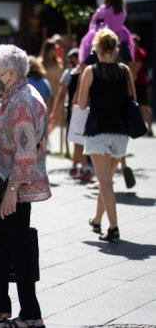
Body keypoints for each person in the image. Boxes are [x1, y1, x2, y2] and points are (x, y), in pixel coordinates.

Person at [0, 44, 50, 328]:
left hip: (14, 185)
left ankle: (30, 314)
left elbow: (26, 152)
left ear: (11, 73)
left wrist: (13, 191)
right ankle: (0, 306)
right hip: (5, 182)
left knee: (17, 246)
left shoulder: (22, 102)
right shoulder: (12, 95)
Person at [77, 29, 132, 242]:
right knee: (106, 181)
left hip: (98, 129)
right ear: (115, 48)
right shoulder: (125, 70)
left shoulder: (90, 71)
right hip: (120, 131)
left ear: (97, 49)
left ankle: (114, 228)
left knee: (105, 182)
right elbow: (132, 98)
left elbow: (81, 104)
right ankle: (97, 220)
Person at [59, 49, 94, 181]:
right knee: (77, 139)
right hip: (83, 109)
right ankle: (74, 166)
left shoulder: (80, 74)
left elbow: (75, 96)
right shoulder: (80, 73)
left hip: (78, 109)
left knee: (77, 139)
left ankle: (85, 168)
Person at [79, 0, 134, 65]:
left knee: (87, 46)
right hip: (119, 36)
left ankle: (84, 64)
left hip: (104, 35)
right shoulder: (123, 12)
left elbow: (94, 22)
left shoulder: (104, 10)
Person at [39, 39, 63, 132]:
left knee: (56, 119)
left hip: (56, 93)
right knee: (45, 118)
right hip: (46, 94)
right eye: (53, 49)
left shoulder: (58, 62)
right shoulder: (40, 63)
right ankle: (43, 137)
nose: (55, 51)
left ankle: (45, 135)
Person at [133, 34, 152, 136]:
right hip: (137, 83)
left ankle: (149, 129)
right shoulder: (134, 53)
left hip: (140, 84)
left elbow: (136, 69)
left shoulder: (140, 53)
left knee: (143, 106)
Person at [27, 56, 53, 124]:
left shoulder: (23, 82)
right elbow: (48, 103)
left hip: (26, 118)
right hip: (41, 120)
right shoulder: (45, 82)